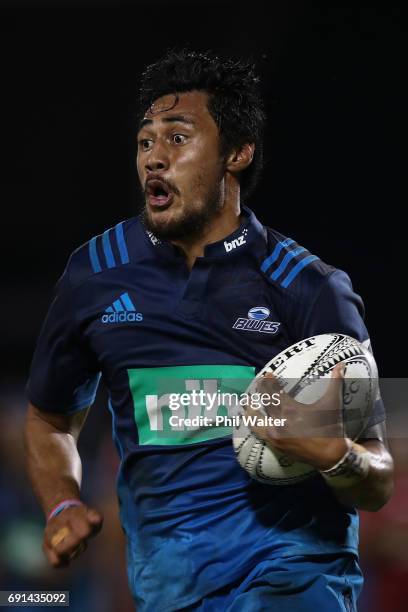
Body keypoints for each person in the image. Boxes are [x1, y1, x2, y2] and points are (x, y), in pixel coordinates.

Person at [25, 49, 393, 611]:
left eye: (178, 138)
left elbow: (378, 477)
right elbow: (50, 418)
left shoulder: (308, 288)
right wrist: (61, 504)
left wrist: (333, 453)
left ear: (237, 153)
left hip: (295, 575)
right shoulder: (94, 275)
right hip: (171, 588)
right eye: (146, 140)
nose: (154, 157)